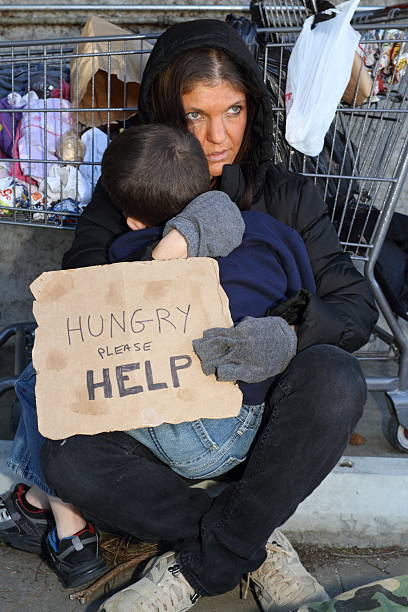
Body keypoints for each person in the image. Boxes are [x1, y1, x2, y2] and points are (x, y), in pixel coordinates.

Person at [3, 18, 377, 612]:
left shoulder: (286, 194)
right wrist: (155, 257)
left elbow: (355, 308)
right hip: (148, 418)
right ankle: (252, 540)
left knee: (335, 377)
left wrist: (286, 332)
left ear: (253, 109)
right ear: (162, 112)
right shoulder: (126, 189)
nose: (216, 136)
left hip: (254, 417)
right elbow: (77, 305)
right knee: (67, 457)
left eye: (232, 111)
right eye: (194, 116)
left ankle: (191, 571)